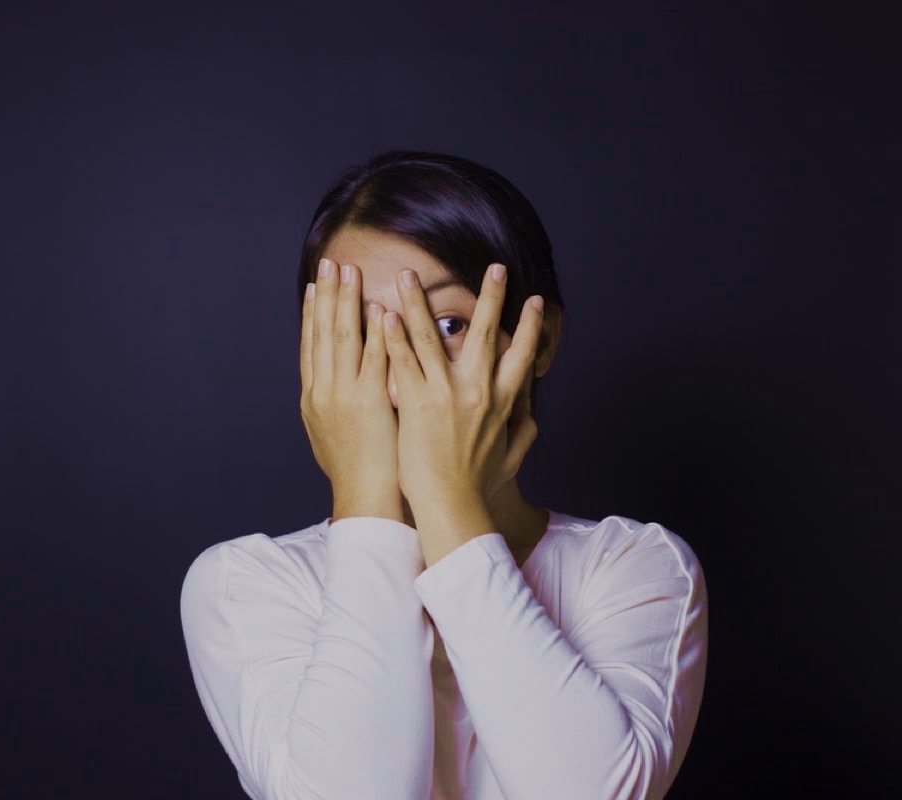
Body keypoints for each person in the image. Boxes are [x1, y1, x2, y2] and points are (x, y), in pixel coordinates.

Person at [180, 150, 708, 800]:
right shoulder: (246, 586)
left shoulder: (634, 568)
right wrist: (371, 504)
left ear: (537, 341)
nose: (401, 367)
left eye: (448, 323)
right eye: (357, 330)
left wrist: (446, 500)